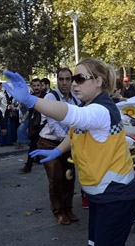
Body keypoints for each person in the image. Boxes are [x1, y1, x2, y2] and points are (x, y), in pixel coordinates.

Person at [3, 58, 135, 246]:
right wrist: (57, 151)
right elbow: (76, 132)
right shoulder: (91, 107)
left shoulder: (101, 109)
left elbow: (73, 117)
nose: (74, 84)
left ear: (98, 82)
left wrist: (32, 100)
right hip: (102, 197)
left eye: (79, 78)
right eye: (72, 79)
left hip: (115, 197)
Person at [37, 68, 81, 225]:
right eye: (61, 79)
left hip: (67, 143)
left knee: (69, 177)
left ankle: (68, 208)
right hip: (49, 143)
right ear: (57, 80)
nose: (64, 83)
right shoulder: (51, 97)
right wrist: (70, 138)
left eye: (67, 79)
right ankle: (59, 211)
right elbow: (54, 125)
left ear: (71, 80)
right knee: (56, 179)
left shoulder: (75, 99)